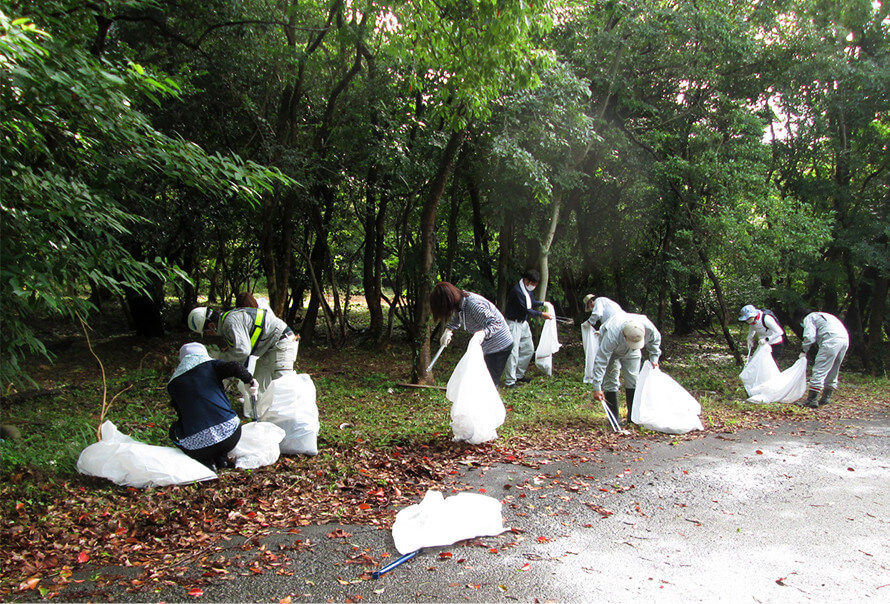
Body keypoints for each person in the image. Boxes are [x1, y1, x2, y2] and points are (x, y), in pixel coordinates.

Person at [167, 342, 257, 471]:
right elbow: (236, 367)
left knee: (174, 430)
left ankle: (207, 461)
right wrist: (250, 381)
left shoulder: (173, 384)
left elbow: (181, 415)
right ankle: (222, 459)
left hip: (198, 447)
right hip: (230, 436)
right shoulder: (211, 365)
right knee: (219, 418)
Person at [187, 302, 298, 392]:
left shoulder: (230, 323)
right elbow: (239, 356)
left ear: (211, 326)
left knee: (283, 382)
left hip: (281, 342)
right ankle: (261, 415)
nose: (209, 336)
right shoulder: (228, 323)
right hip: (267, 347)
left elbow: (242, 351)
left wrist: (221, 359)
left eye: (206, 333)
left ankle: (295, 415)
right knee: (258, 385)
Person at [430, 281, 514, 386]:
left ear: (447, 301)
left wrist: (483, 333)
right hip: (485, 346)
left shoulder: (473, 304)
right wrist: (449, 329)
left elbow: (496, 323)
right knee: (478, 380)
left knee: (489, 384)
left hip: (499, 346)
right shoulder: (461, 303)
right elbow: (458, 315)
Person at [591, 313, 662, 424]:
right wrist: (597, 387)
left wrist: (654, 358)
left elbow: (655, 341)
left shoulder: (648, 328)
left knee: (633, 380)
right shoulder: (611, 336)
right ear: (624, 335)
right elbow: (601, 360)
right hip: (613, 352)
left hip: (633, 352)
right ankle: (613, 419)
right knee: (611, 381)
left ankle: (633, 418)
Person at [503, 270, 553, 387]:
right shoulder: (518, 291)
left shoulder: (526, 291)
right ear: (526, 280)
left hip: (523, 323)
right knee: (513, 352)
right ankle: (510, 381)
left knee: (529, 349)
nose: (534, 287)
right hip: (513, 323)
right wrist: (542, 315)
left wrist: (543, 304)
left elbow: (531, 303)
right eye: (533, 284)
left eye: (536, 285)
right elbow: (527, 309)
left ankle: (519, 375)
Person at [794, 309, 849, 408]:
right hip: (844, 339)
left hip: (831, 341)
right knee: (834, 369)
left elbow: (809, 337)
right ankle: (826, 397)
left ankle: (812, 399)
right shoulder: (825, 315)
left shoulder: (809, 317)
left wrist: (804, 350)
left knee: (820, 369)